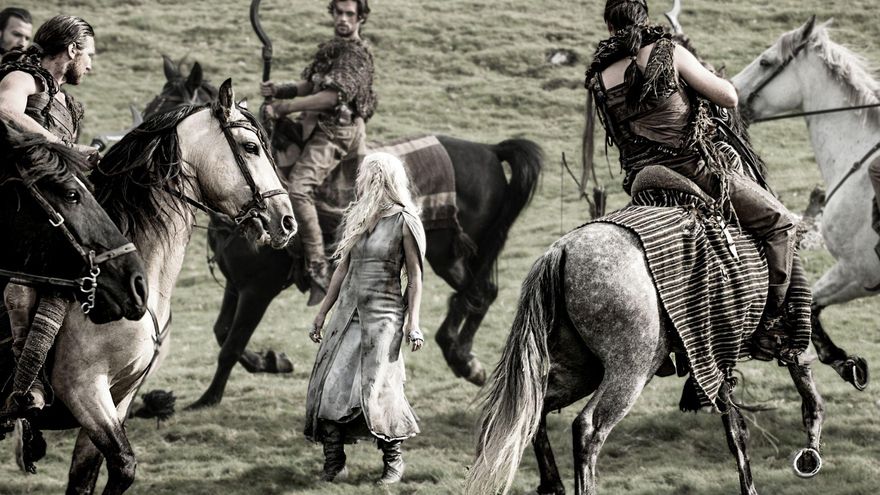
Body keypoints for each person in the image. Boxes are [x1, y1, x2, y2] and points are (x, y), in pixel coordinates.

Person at [585, 0, 801, 318]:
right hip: (692, 169)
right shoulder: (669, 52)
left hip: (642, 178)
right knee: (780, 223)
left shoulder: (600, 77)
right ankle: (773, 319)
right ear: (645, 19)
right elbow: (728, 97)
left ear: (609, 26)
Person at [303, 152, 425, 485]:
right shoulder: (359, 217)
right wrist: (322, 312)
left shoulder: (405, 221)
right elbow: (342, 269)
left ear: (382, 179)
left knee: (379, 388)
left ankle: (393, 462)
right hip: (347, 316)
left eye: (367, 176)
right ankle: (334, 463)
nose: (361, 181)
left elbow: (415, 278)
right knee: (330, 385)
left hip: (384, 317)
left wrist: (413, 324)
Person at [0, 15, 98, 418]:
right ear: (71, 49)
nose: (91, 65)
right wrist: (62, 145)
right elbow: (5, 109)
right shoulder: (23, 77)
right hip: (13, 196)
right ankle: (27, 383)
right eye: (89, 55)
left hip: (49, 198)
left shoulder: (67, 103)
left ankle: (41, 376)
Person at [259, 0, 376, 305]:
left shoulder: (355, 55)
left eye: (349, 14)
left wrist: (285, 106)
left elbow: (331, 97)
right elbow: (311, 84)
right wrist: (280, 90)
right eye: (339, 13)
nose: (343, 19)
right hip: (315, 125)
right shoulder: (333, 49)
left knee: (298, 188)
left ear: (360, 18)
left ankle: (319, 267)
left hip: (337, 131)